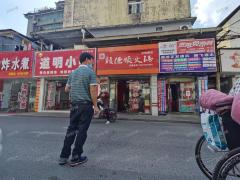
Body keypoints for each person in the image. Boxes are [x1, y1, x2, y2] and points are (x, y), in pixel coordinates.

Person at [59, 52, 99, 167]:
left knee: (71, 130)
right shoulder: (90, 72)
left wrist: (76, 87)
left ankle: (63, 156)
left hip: (74, 106)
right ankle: (76, 157)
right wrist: (95, 106)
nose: (92, 63)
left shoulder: (73, 73)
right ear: (87, 59)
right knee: (82, 131)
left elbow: (66, 89)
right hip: (85, 106)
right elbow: (93, 90)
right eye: (92, 60)